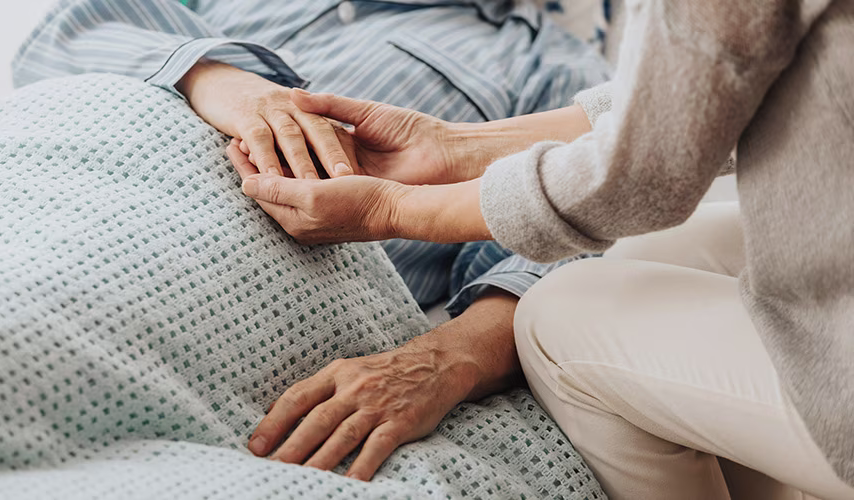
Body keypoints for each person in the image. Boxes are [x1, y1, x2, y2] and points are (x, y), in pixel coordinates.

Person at [231, 0, 854, 499]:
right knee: (675, 250)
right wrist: (453, 146)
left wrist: (391, 210)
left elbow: (643, 173)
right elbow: (707, 103)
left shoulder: (549, 61)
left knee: (557, 315)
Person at [12, 0, 611, 481]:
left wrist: (447, 359)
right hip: (57, 192)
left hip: (243, 283)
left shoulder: (555, 71)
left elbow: (577, 234)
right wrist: (223, 80)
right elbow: (70, 30)